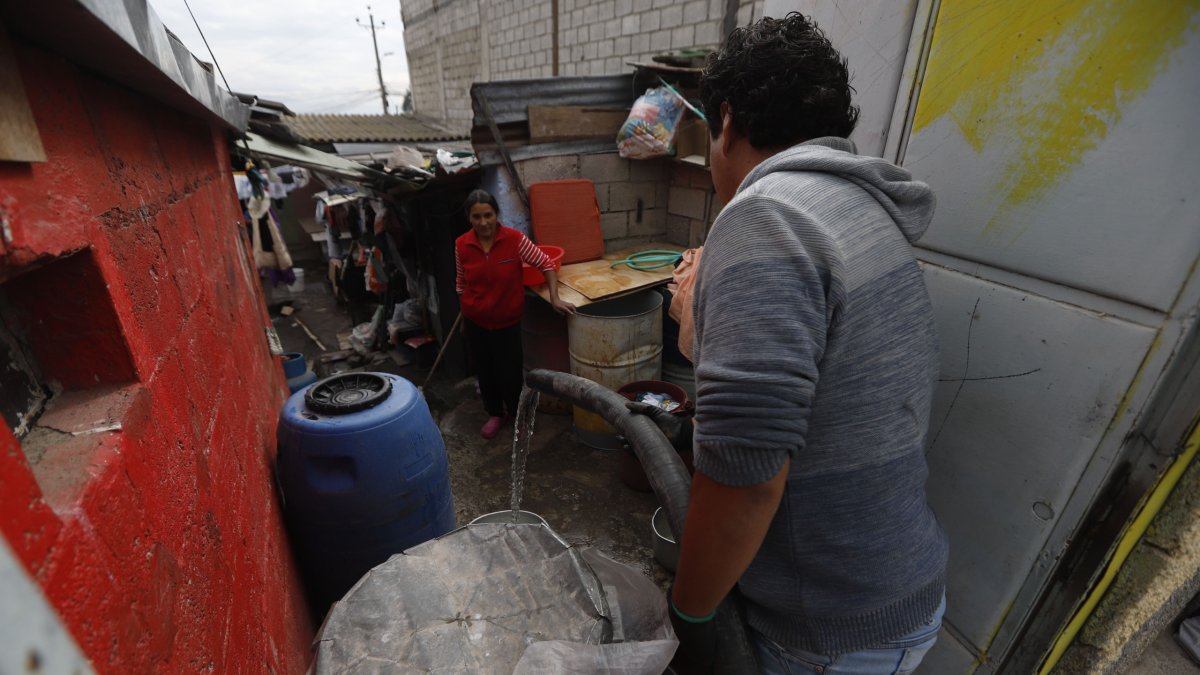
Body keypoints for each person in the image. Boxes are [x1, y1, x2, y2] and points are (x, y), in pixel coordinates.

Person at [662, 13, 949, 674]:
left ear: (727, 122)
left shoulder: (764, 218)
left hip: (822, 628)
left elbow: (746, 475)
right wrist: (697, 312)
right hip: (895, 593)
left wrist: (690, 612)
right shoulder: (858, 207)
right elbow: (808, 383)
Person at [455, 189, 575, 439]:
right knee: (485, 372)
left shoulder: (514, 239)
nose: (483, 222)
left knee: (510, 373)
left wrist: (554, 297)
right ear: (469, 218)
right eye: (476, 217)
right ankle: (495, 414)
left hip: (507, 323)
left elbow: (546, 264)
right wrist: (464, 318)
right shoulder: (461, 245)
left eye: (488, 215)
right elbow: (461, 284)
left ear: (496, 214)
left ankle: (517, 415)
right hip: (476, 321)